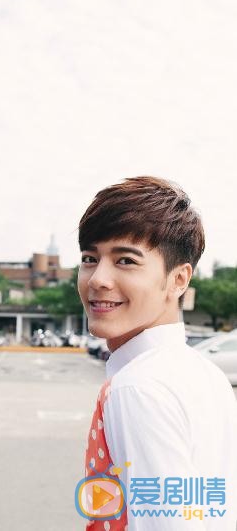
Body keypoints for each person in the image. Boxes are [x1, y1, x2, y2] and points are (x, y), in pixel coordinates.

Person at [76, 176, 237, 530]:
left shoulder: (137, 387)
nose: (97, 279)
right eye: (90, 258)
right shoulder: (205, 373)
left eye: (125, 260)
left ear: (178, 280)